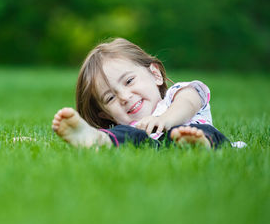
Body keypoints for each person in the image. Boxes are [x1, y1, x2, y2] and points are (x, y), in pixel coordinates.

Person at [51, 38, 230, 149]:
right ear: (105, 114)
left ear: (155, 74)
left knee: (196, 131)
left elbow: (189, 102)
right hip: (149, 143)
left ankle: (200, 145)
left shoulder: (175, 96)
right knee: (131, 136)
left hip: (193, 133)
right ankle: (98, 140)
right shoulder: (131, 128)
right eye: (110, 97)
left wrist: (164, 120)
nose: (124, 97)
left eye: (129, 81)